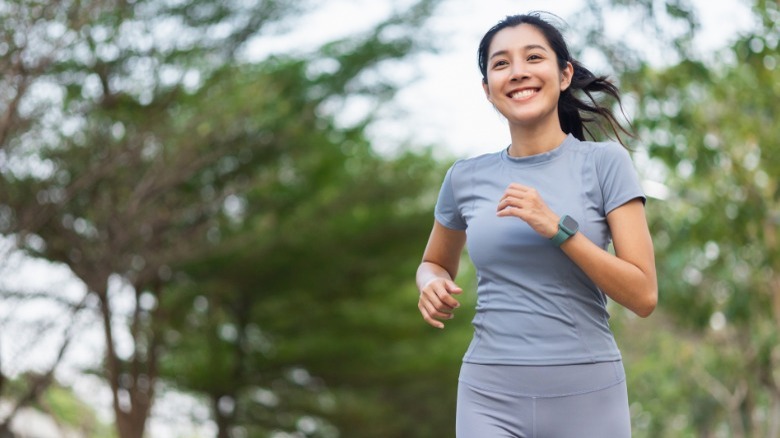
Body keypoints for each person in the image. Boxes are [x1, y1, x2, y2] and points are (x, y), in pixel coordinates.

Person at [415, 12, 658, 438]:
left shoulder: (605, 164)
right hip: (488, 393)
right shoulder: (465, 177)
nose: (518, 72)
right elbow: (434, 262)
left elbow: (643, 296)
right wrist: (429, 283)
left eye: (533, 57)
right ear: (487, 89)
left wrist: (559, 230)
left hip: (587, 393)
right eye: (501, 63)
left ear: (564, 74)